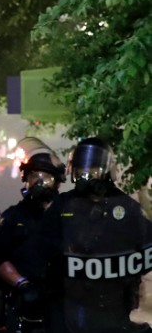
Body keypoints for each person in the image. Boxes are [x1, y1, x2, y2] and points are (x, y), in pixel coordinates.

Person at [39, 137, 152, 333]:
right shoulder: (62, 205)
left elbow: (147, 249)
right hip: (71, 306)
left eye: (92, 171)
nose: (87, 176)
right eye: (82, 171)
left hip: (114, 309)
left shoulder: (126, 207)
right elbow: (43, 247)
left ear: (106, 171)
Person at [0, 137, 65, 333]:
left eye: (46, 176)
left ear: (58, 182)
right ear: (25, 179)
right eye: (34, 175)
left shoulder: (70, 213)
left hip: (63, 302)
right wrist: (22, 284)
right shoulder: (12, 216)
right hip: (23, 303)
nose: (40, 182)